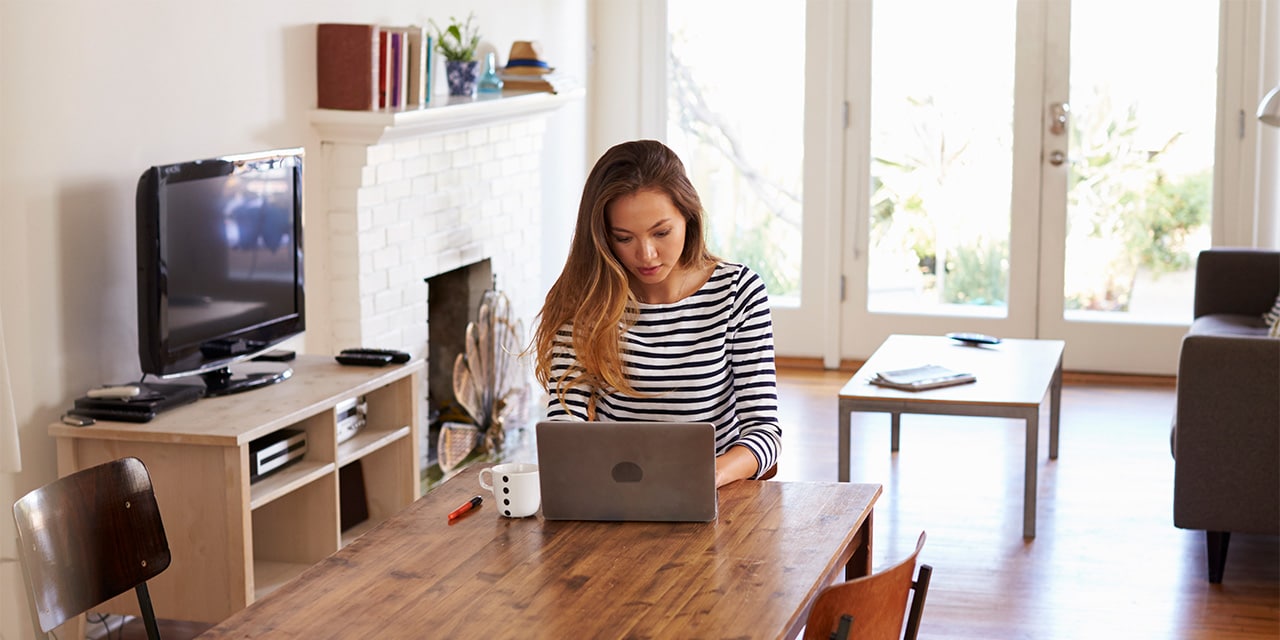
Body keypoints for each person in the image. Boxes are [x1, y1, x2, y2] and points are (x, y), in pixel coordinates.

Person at [531, 140, 781, 487]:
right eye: (624, 238)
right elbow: (565, 426)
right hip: (614, 497)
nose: (646, 254)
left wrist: (707, 476)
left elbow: (764, 433)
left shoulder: (737, 291)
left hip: (715, 499)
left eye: (661, 232)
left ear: (688, 217)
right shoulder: (587, 301)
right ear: (603, 237)